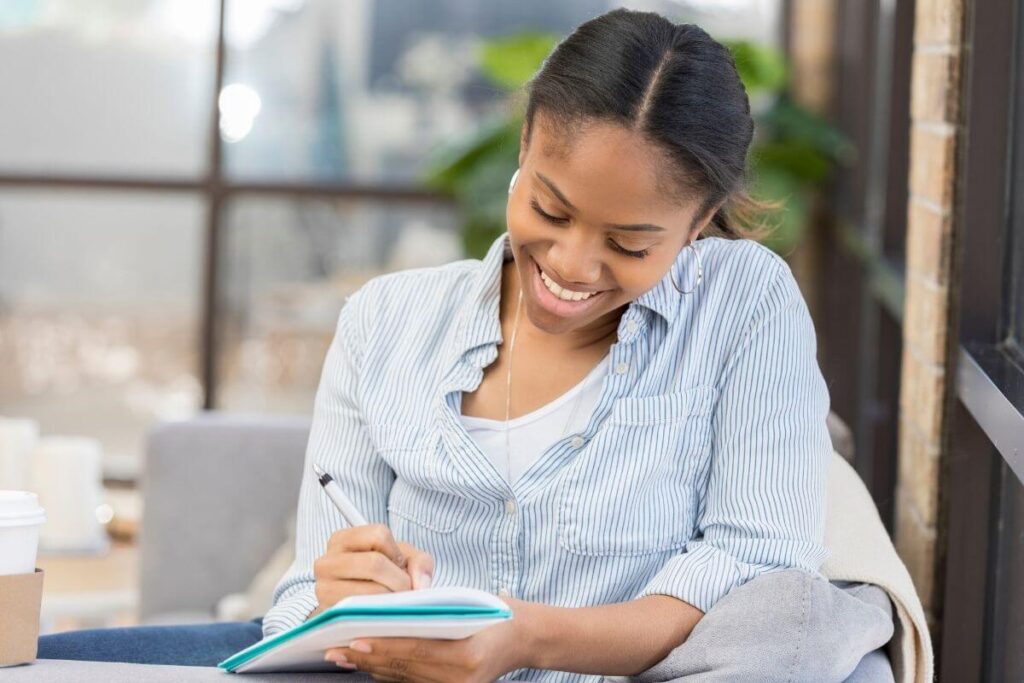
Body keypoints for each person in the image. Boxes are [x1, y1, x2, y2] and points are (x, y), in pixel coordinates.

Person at [40, 9, 894, 681]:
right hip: (382, 678)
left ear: (701, 221)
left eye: (630, 244)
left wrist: (528, 637)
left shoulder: (744, 304)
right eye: (550, 210)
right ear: (523, 145)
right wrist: (338, 594)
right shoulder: (388, 320)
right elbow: (302, 596)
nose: (570, 264)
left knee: (795, 620)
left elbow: (755, 569)